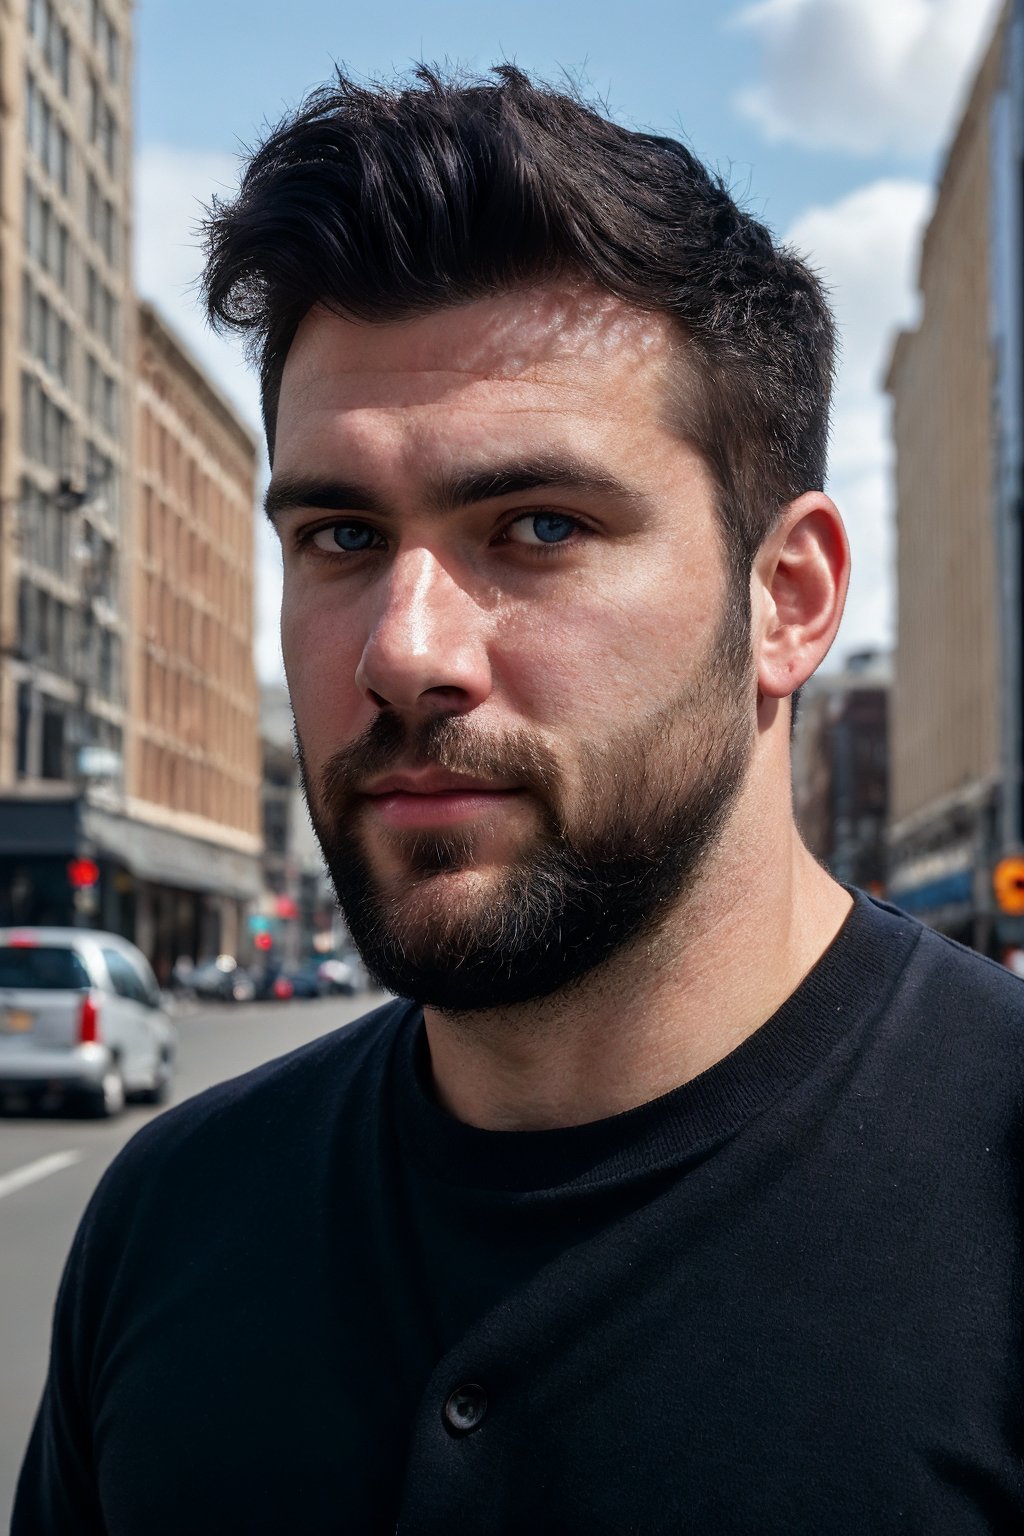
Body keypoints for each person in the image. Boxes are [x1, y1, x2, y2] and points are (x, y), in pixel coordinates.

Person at [14, 67, 1024, 1534]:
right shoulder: (171, 1218)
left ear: (789, 601)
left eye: (539, 527)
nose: (404, 651)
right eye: (343, 533)